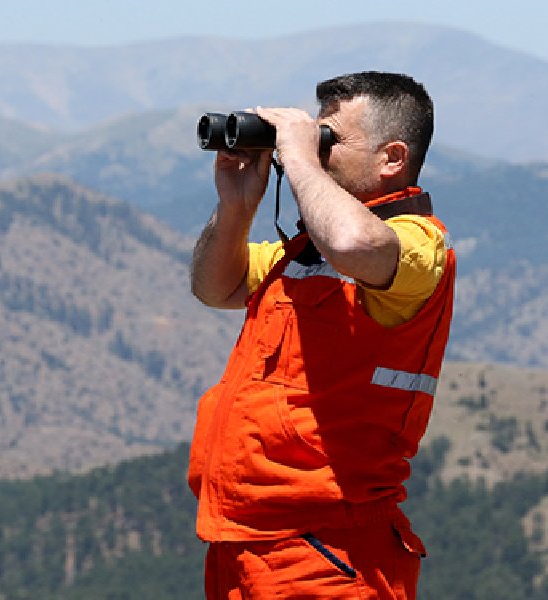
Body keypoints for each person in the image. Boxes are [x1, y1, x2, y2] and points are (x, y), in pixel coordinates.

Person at [188, 71, 455, 599]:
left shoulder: (419, 244)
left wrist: (300, 158)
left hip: (331, 552)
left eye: (330, 139)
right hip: (244, 541)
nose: (315, 148)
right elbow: (214, 286)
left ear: (392, 159)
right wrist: (237, 206)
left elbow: (355, 243)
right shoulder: (305, 253)